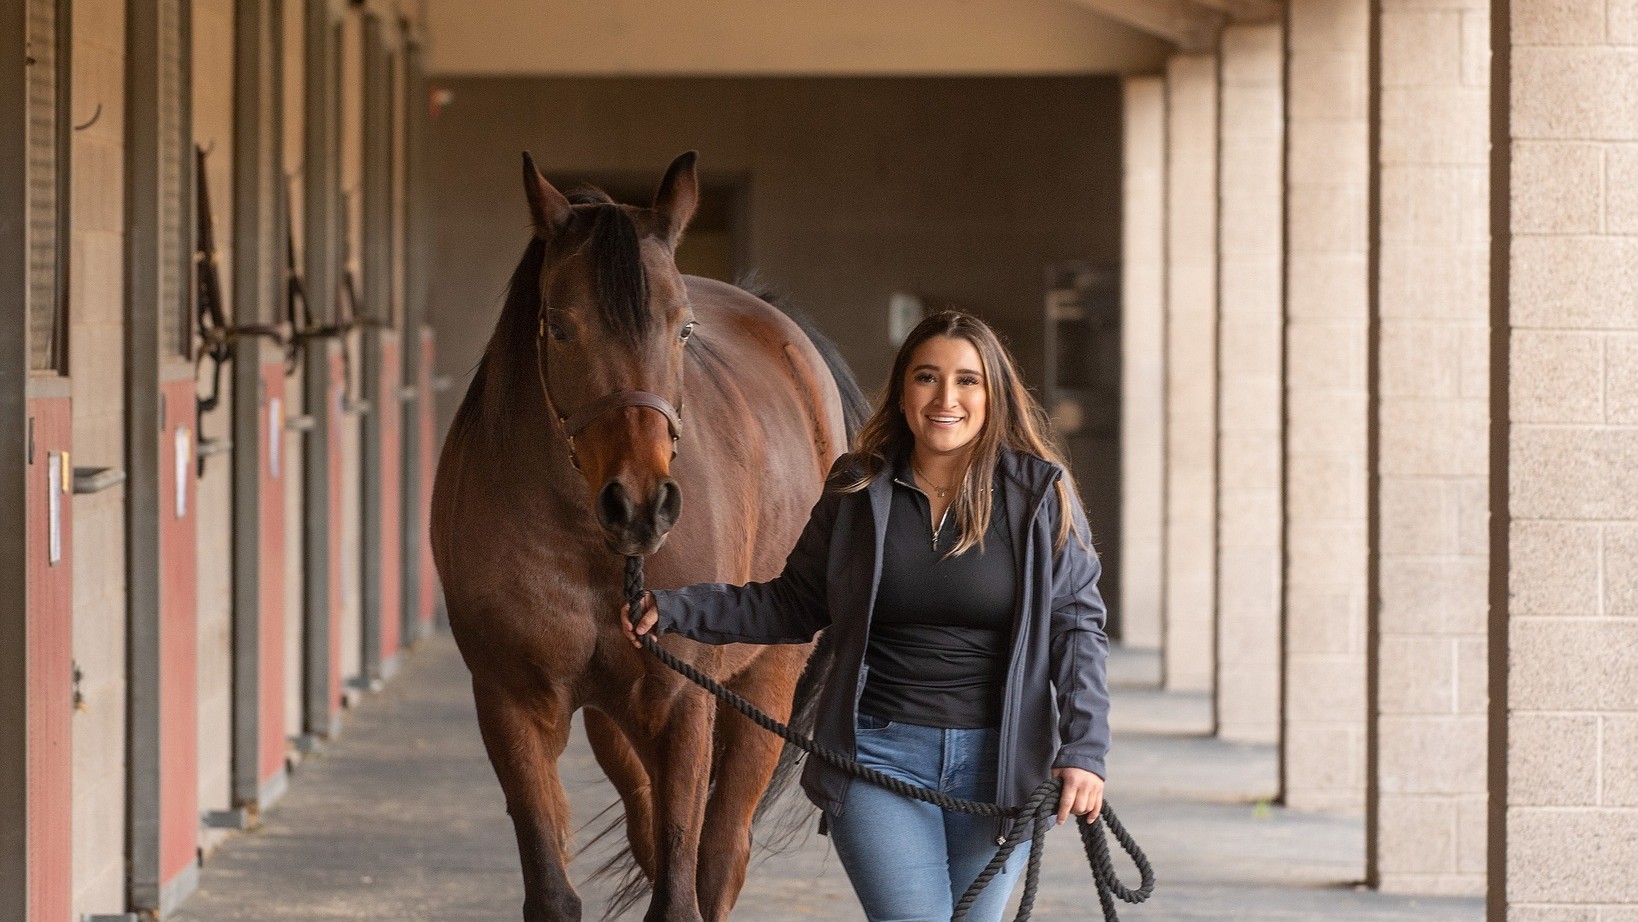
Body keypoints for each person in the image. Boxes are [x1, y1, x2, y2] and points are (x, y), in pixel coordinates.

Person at [624, 311, 1111, 922]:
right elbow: (791, 603)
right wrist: (673, 608)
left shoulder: (1041, 495)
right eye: (927, 377)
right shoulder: (859, 489)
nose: (946, 398)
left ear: (994, 395)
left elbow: (1076, 629)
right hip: (879, 757)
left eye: (968, 381)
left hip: (1002, 770)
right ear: (904, 391)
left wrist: (1085, 749)